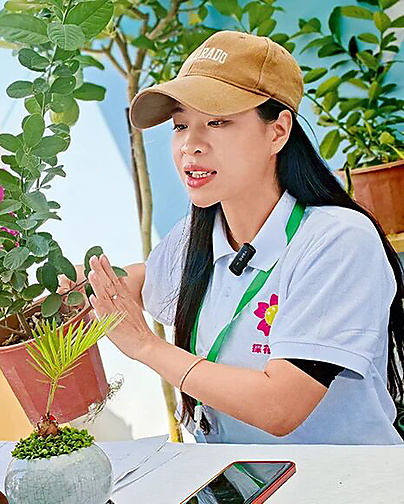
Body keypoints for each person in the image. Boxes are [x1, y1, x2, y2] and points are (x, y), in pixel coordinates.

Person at [57, 30, 404, 444]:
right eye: (181, 125)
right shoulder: (199, 231)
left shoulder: (339, 240)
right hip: (232, 476)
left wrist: (147, 346)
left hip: (339, 482)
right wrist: (80, 287)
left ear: (278, 131)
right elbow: (149, 280)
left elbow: (280, 407)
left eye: (217, 122)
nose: (190, 145)